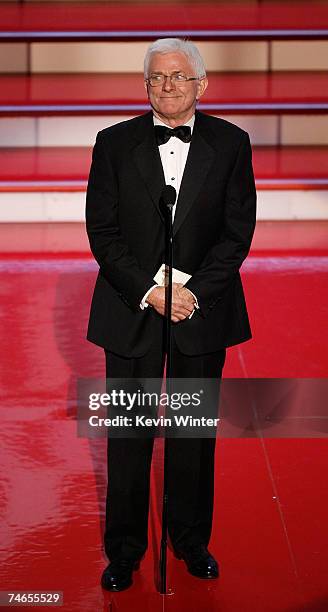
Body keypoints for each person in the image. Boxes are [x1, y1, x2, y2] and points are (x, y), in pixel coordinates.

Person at [86, 37, 256, 591]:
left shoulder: (232, 144)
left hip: (200, 312)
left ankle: (190, 541)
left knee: (191, 438)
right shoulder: (112, 143)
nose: (166, 86)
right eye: (156, 78)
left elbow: (237, 234)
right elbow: (103, 233)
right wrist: (152, 291)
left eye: (178, 77)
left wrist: (189, 292)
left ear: (202, 85)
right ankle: (124, 551)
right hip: (132, 309)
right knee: (128, 438)